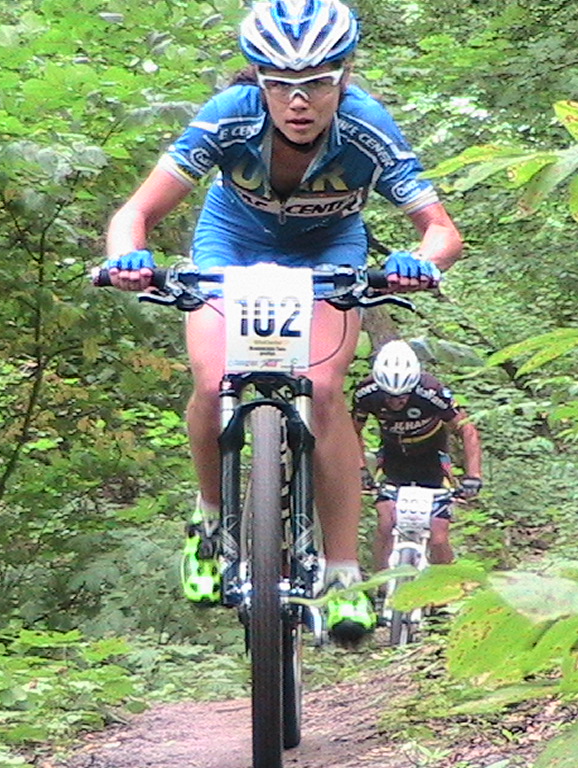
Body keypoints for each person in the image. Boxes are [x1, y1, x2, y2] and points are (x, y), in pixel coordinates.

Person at [102, 0, 463, 644]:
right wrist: (127, 257)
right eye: (280, 85)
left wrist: (420, 263)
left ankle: (344, 573)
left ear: (342, 77)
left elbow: (441, 230)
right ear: (259, 81)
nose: (299, 102)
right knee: (213, 381)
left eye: (318, 83)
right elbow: (137, 213)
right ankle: (210, 524)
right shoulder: (229, 116)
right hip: (231, 244)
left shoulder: (366, 127)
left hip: (328, 251)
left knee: (322, 392)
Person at [352, 340, 482, 570]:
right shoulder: (367, 392)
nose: (396, 402)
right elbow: (352, 431)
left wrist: (473, 476)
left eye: (403, 396)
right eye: (389, 396)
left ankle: (445, 589)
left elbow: (467, 429)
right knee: (385, 526)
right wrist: (360, 469)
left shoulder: (431, 391)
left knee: (438, 537)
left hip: (432, 461)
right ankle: (380, 585)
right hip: (393, 459)